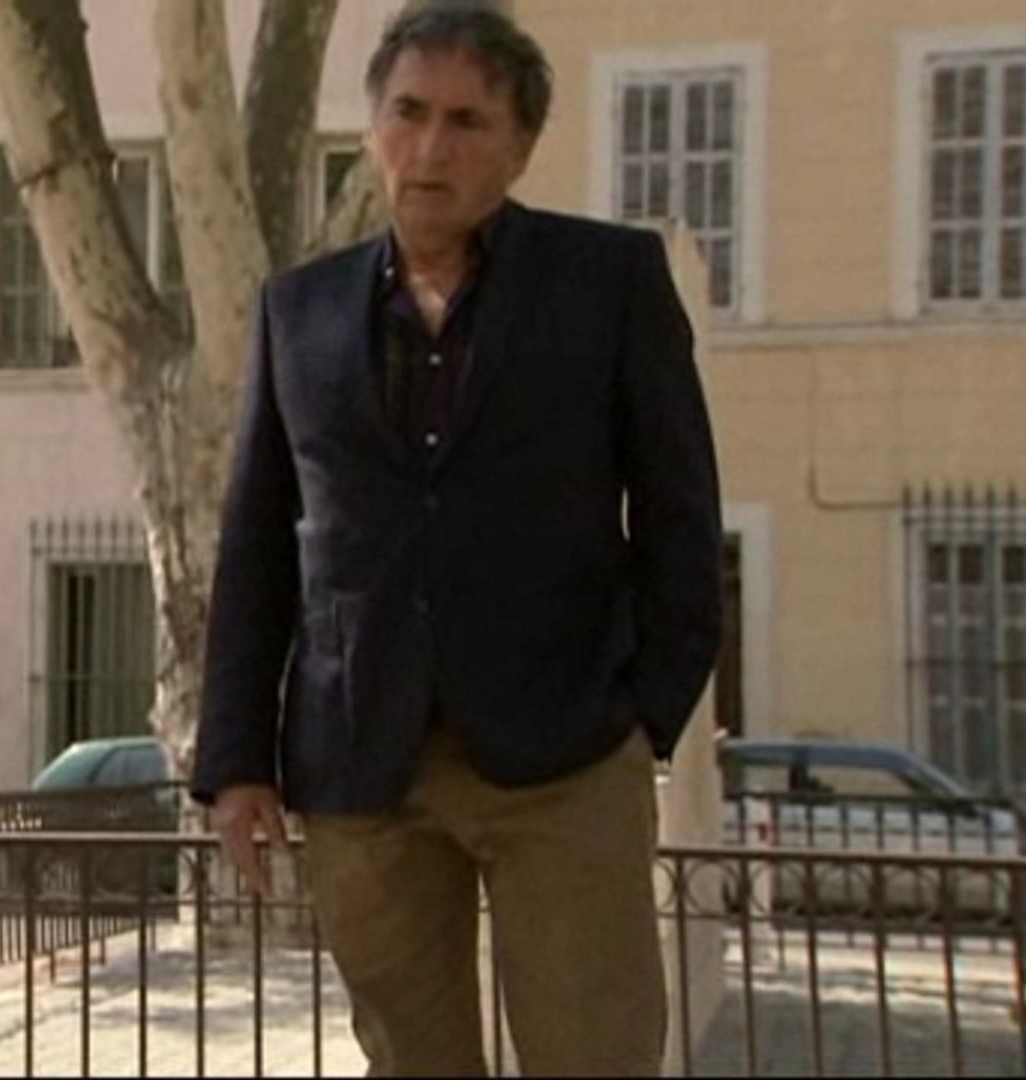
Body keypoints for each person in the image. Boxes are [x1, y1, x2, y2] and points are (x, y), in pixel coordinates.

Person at [190, 4, 722, 1076]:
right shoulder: (299, 312)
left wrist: (641, 720)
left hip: (564, 755)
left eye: (468, 121)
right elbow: (258, 549)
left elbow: (680, 516)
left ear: (521, 146)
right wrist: (237, 760)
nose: (431, 146)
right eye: (409, 112)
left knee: (594, 1056)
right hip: (361, 764)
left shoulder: (607, 284)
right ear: (373, 126)